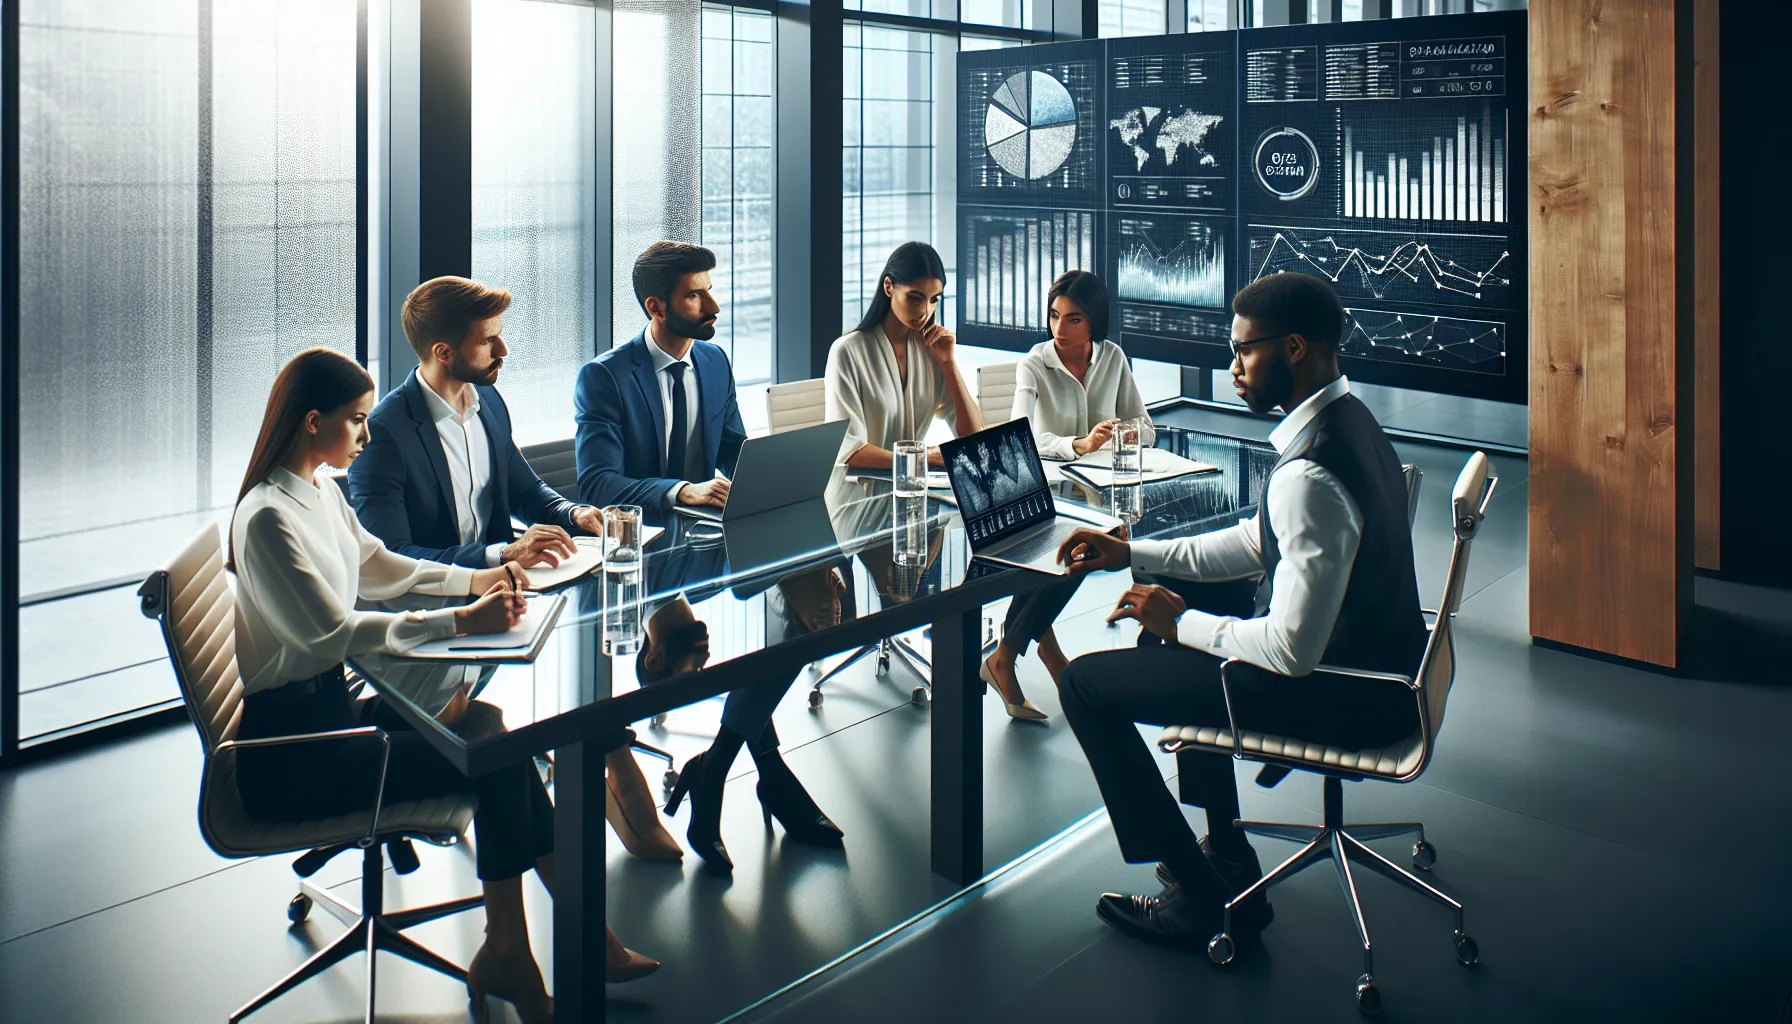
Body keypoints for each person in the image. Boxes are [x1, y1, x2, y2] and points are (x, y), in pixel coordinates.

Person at [227, 350, 658, 1024]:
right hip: (289, 754)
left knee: (489, 728)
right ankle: (528, 949)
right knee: (494, 757)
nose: (368, 437)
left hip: (331, 715)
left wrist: (476, 579)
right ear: (314, 422)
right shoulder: (267, 518)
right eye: (357, 421)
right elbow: (332, 634)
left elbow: (380, 567)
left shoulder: (315, 491)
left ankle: (538, 943)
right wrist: (461, 618)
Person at [1051, 274, 1428, 950]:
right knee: (1192, 616)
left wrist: (1178, 623)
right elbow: (1258, 541)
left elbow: (1291, 653)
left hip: (1345, 698)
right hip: (1383, 672)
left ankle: (1204, 899)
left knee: (1083, 684)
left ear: (1293, 348)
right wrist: (1133, 556)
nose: (1232, 369)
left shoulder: (1308, 476)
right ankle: (1224, 852)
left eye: (1243, 352)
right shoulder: (1351, 422)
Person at [348, 276, 683, 863]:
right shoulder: (386, 434)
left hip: (500, 598)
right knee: (569, 677)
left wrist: (575, 513)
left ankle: (612, 778)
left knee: (586, 653)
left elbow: (523, 487)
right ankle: (616, 791)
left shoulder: (487, 403)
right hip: (432, 616)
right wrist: (497, 556)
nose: (504, 352)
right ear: (443, 352)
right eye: (490, 341)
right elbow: (389, 560)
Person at [980, 270, 1157, 721]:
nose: (1060, 328)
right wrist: (1078, 445)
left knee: (1089, 541)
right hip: (1039, 492)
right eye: (1055, 316)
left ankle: (1014, 651)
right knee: (1077, 548)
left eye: (1073, 319)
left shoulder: (1114, 358)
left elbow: (1148, 430)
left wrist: (1124, 434)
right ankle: (1012, 654)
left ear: (1094, 322)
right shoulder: (1034, 363)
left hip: (1094, 493)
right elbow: (1020, 435)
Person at [642, 548, 845, 872]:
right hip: (678, 542)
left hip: (747, 536)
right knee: (796, 621)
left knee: (804, 618)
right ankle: (767, 772)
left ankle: (718, 766)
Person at [574, 241, 748, 517]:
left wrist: (778, 479)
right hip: (641, 535)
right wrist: (682, 491)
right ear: (656, 308)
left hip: (706, 530)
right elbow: (597, 485)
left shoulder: (715, 361)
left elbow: (733, 450)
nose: (713, 307)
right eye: (694, 296)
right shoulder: (605, 377)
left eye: (709, 292)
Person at [824, 242, 983, 474]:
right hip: (857, 496)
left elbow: (972, 437)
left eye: (934, 299)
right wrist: (922, 458)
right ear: (889, 287)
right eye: (915, 298)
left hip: (914, 491)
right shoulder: (848, 352)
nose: (924, 311)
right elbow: (849, 451)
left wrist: (949, 364)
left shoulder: (931, 350)